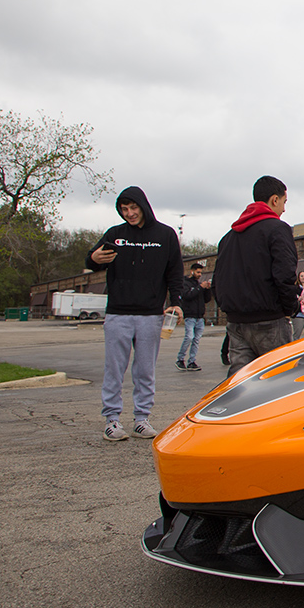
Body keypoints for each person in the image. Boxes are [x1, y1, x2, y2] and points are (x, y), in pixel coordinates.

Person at [86, 187, 183, 442]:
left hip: (151, 314)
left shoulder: (165, 235)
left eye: (133, 208)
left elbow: (174, 272)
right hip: (118, 313)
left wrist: (177, 302)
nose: (129, 213)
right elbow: (93, 260)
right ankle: (112, 420)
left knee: (145, 369)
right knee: (114, 368)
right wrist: (93, 258)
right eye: (124, 209)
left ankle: (141, 419)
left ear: (143, 206)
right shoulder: (116, 234)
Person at [213, 175, 299, 376]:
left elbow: (218, 279)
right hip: (270, 320)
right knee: (277, 380)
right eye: (284, 202)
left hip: (236, 322)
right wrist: (289, 308)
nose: (284, 209)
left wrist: (227, 307)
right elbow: (285, 274)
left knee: (239, 382)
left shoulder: (229, 237)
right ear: (274, 200)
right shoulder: (278, 229)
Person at [176, 261, 212, 371]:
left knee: (196, 339)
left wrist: (207, 290)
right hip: (190, 316)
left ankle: (192, 361)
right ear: (192, 271)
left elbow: (206, 300)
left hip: (199, 316)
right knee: (189, 337)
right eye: (198, 272)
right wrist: (200, 288)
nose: (200, 274)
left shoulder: (198, 285)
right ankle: (180, 359)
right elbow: (187, 295)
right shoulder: (186, 283)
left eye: (201, 272)